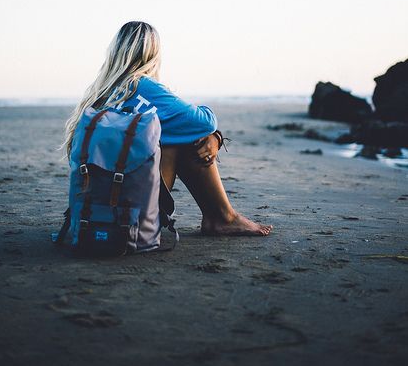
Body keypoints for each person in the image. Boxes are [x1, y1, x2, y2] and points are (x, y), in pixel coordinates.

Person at [63, 21, 272, 237]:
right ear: (153, 54)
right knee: (192, 138)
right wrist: (215, 137)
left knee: (169, 132)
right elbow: (204, 121)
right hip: (129, 211)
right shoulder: (142, 86)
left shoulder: (99, 94)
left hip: (91, 211)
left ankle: (219, 217)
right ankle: (222, 217)